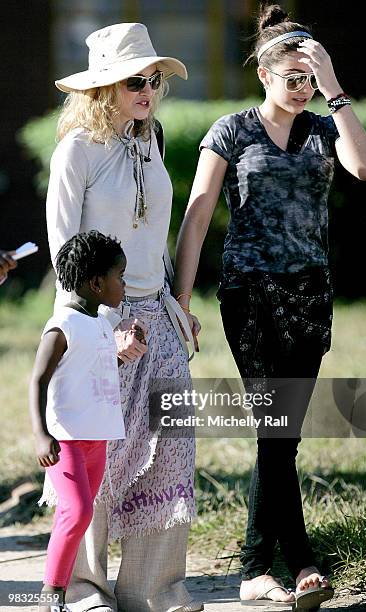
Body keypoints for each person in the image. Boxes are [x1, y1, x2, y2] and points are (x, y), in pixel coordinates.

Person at [174, 2, 366, 609]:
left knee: (280, 434)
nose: (302, 87)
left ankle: (257, 568)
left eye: (309, 77)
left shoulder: (322, 128)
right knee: (276, 426)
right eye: (292, 78)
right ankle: (296, 561)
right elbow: (199, 214)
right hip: (249, 295)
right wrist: (182, 299)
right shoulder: (231, 130)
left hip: (310, 296)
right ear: (264, 76)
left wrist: (335, 90)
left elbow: (365, 168)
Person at [44, 22, 201, 612]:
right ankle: (87, 591)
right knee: (96, 461)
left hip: (156, 317)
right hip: (95, 320)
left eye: (155, 80)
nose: (149, 91)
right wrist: (98, 330)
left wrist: (174, 306)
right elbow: (65, 253)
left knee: (172, 448)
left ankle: (155, 591)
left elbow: (151, 238)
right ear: (103, 87)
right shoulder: (76, 151)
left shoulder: (151, 138)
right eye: (136, 80)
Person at [30, 231, 128, 612]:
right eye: (119, 275)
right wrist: (41, 435)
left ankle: (55, 592)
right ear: (96, 282)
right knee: (78, 511)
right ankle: (51, 596)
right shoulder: (62, 325)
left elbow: (97, 366)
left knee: (75, 515)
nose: (123, 283)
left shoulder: (101, 321)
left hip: (97, 438)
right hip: (66, 439)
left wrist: (123, 354)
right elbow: (37, 379)